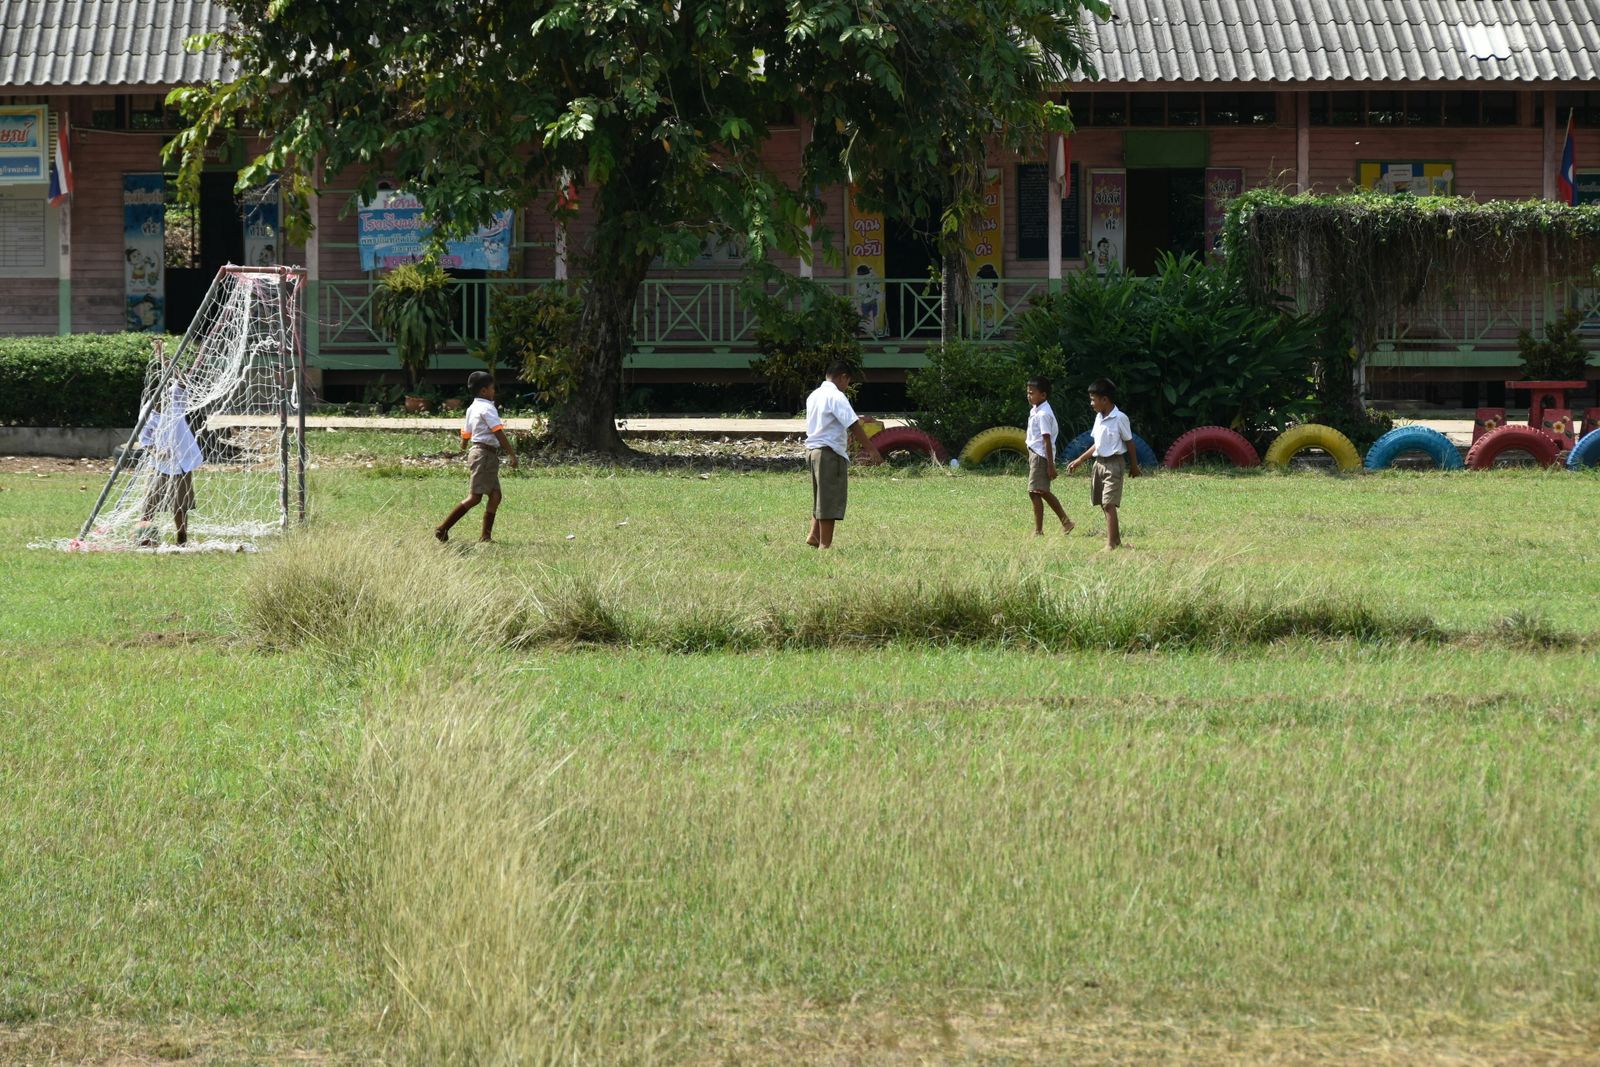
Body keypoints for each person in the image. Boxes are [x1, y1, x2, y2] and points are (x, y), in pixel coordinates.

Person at [804, 360, 882, 548]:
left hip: (812, 451)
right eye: (848, 382)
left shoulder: (814, 395)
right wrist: (871, 450)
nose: (847, 386)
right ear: (843, 377)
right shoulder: (836, 396)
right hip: (828, 453)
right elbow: (853, 424)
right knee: (830, 498)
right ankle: (825, 545)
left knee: (821, 496)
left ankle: (814, 535)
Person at [435, 370, 517, 543]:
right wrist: (512, 454)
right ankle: (443, 528)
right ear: (484, 391)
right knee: (475, 497)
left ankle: (485, 536)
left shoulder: (472, 408)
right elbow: (498, 432)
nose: (494, 391)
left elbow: (466, 432)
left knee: (495, 495)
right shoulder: (488, 408)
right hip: (484, 455)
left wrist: (463, 447)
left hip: (481, 453)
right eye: (492, 388)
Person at [1065, 377, 1140, 550]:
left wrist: (1134, 466)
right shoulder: (1099, 417)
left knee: (1108, 503)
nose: (1091, 403)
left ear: (1105, 399)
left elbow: (1129, 443)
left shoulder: (1120, 418)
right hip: (1099, 464)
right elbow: (1097, 445)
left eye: (1093, 400)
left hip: (1114, 464)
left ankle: (1110, 545)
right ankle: (1116, 541)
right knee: (1103, 503)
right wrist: (1079, 460)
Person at [136, 377, 203, 547]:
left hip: (182, 463)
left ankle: (182, 538)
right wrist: (157, 452)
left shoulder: (175, 401)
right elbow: (145, 439)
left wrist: (168, 364)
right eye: (158, 400)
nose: (163, 402)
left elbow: (182, 381)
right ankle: (144, 538)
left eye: (165, 397)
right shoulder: (147, 413)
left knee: (180, 505)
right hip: (158, 465)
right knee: (149, 504)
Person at [1024, 376, 1073, 537]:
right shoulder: (1036, 410)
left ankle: (1039, 530)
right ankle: (1066, 522)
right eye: (1028, 393)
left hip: (1041, 455)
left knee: (1035, 491)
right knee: (1041, 491)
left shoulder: (1043, 414)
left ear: (1043, 395)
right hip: (1035, 454)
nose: (1029, 396)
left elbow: (1046, 440)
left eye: (1032, 393)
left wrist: (1050, 465)